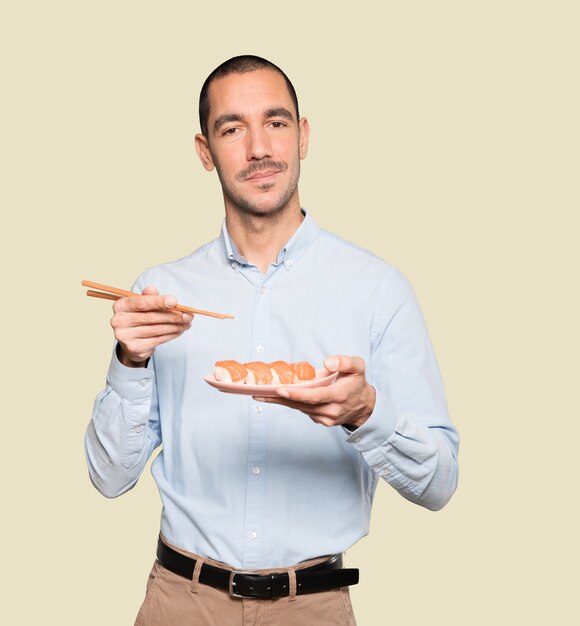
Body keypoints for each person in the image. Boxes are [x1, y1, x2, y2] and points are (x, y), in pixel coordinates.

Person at [85, 55, 459, 626]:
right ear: (204, 151)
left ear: (303, 136)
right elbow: (109, 479)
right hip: (179, 601)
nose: (258, 147)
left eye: (276, 122)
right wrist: (129, 360)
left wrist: (365, 412)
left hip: (313, 605)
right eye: (232, 128)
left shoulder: (377, 289)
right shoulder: (161, 294)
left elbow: (439, 483)